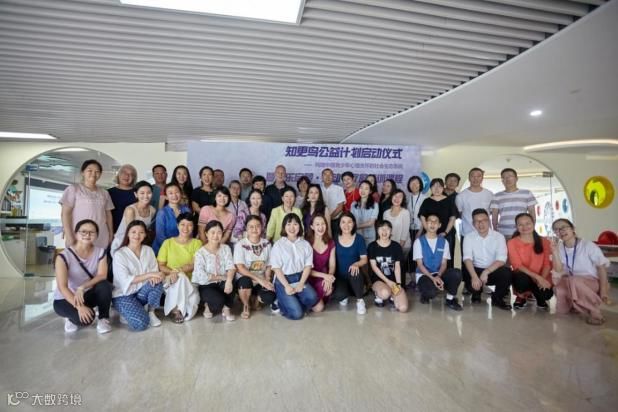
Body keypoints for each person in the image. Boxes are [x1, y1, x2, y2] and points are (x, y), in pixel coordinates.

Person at [53, 219, 113, 334]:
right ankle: (70, 317)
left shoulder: (100, 252)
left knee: (104, 285)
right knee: (86, 320)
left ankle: (103, 319)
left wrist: (82, 287)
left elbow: (102, 275)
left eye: (92, 232)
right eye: (83, 231)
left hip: (85, 294)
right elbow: (62, 287)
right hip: (65, 299)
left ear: (96, 235)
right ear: (76, 234)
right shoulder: (63, 256)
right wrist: (79, 307)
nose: (87, 235)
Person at [550, 218, 610, 325]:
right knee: (558, 288)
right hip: (571, 281)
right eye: (557, 230)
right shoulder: (560, 247)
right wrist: (554, 251)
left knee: (573, 280)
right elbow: (558, 269)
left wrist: (603, 290)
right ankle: (575, 306)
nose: (560, 231)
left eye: (563, 227)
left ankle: (594, 310)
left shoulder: (587, 245)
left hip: (591, 282)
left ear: (573, 228)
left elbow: (601, 268)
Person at [112, 221, 165, 331]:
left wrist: (155, 276)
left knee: (157, 282)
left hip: (141, 292)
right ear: (128, 233)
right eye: (133, 232)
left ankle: (151, 312)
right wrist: (150, 275)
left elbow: (155, 273)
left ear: (145, 235)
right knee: (141, 324)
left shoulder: (148, 250)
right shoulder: (119, 254)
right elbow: (126, 280)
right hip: (123, 295)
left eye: (141, 232)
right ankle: (129, 312)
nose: (137, 235)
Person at [269, 213, 320, 320]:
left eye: (295, 224)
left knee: (313, 298)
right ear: (284, 227)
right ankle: (280, 302)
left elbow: (307, 266)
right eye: (288, 224)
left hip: (299, 278)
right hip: (283, 280)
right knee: (297, 314)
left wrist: (301, 283)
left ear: (300, 226)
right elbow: (277, 269)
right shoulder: (278, 245)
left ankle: (292, 299)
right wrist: (287, 286)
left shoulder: (305, 244)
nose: (292, 227)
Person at [462, 209, 512, 310]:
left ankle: (497, 298)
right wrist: (474, 276)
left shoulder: (499, 237)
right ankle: (476, 293)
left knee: (507, 273)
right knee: (465, 270)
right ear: (473, 224)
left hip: (492, 270)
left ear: (489, 221)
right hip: (476, 270)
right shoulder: (468, 237)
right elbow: (467, 258)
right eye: (477, 221)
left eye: (484, 220)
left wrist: (487, 271)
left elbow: (502, 259)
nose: (481, 224)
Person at [157, 213, 202, 323]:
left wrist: (176, 271)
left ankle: (176, 308)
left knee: (191, 306)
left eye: (189, 225)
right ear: (177, 225)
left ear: (193, 227)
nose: (186, 228)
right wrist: (173, 273)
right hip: (170, 281)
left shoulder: (197, 243)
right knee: (180, 277)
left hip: (191, 282)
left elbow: (194, 265)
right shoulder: (167, 243)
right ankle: (177, 310)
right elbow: (160, 265)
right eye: (182, 224)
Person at [60, 159, 114, 249]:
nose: (93, 174)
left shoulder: (104, 193)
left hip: (101, 236)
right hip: (79, 235)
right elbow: (65, 214)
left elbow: (108, 215)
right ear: (82, 172)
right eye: (90, 171)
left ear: (100, 174)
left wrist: (111, 233)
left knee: (99, 257)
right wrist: (69, 236)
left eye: (97, 172)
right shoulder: (73, 189)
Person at [413, 214, 463, 311]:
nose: (432, 223)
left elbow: (444, 263)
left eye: (435, 221)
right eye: (430, 221)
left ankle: (450, 299)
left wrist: (438, 276)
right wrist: (433, 278)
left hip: (439, 273)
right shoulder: (418, 241)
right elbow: (420, 264)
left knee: (456, 273)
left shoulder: (444, 242)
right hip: (424, 275)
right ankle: (425, 295)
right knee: (430, 292)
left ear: (439, 225)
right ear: (425, 224)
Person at [234, 215, 276, 319]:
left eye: (257, 226)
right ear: (246, 228)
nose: (254, 229)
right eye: (251, 226)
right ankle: (246, 305)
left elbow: (269, 265)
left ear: (262, 227)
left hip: (261, 280)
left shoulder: (267, 244)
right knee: (245, 281)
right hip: (245, 279)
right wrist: (260, 280)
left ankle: (256, 301)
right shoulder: (240, 244)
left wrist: (267, 279)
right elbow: (240, 268)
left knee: (270, 296)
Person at [193, 221, 236, 321]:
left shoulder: (226, 248)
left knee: (232, 280)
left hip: (222, 282)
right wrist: (221, 277)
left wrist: (228, 281)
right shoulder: (200, 253)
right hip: (207, 284)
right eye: (212, 232)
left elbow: (230, 266)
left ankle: (226, 309)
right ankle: (207, 305)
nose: (216, 236)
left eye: (219, 232)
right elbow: (201, 275)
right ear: (206, 234)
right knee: (218, 302)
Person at [507, 213, 552, 310]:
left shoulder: (544, 241)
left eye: (528, 223)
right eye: (520, 224)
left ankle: (538, 297)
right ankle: (521, 296)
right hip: (523, 275)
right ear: (516, 226)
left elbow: (547, 264)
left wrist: (542, 279)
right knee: (520, 278)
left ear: (533, 223)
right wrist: (538, 278)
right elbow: (517, 265)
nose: (524, 227)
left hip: (541, 275)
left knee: (546, 294)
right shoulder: (512, 242)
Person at [332, 212, 368, 314]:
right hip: (340, 277)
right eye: (343, 222)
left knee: (355, 272)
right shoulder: (335, 238)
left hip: (354, 275)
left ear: (354, 223)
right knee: (339, 295)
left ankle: (360, 301)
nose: (346, 225)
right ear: (339, 224)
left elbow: (364, 259)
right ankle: (345, 294)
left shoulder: (359, 239)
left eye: (349, 222)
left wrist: (356, 264)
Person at [368, 220, 408, 312]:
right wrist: (388, 282)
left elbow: (397, 267)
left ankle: (392, 295)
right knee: (385, 293)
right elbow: (374, 267)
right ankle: (380, 295)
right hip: (379, 281)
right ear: (377, 230)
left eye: (387, 229)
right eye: (381, 229)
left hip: (394, 282)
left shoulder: (396, 246)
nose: (384, 231)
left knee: (403, 308)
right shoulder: (372, 246)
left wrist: (398, 284)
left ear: (391, 231)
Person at [419, 178, 458, 269]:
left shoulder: (449, 201)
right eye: (434, 186)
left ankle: (447, 277)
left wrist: (445, 232)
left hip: (447, 234)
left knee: (447, 258)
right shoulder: (427, 201)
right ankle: (430, 276)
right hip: (429, 234)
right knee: (429, 256)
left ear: (443, 188)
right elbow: (422, 217)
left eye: (439, 186)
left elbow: (452, 218)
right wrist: (428, 231)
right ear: (430, 188)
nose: (436, 189)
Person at [111, 181, 156, 256]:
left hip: (139, 243)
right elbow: (130, 233)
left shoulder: (152, 210)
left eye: (149, 193)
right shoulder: (130, 210)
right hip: (123, 243)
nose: (146, 196)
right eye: (142, 193)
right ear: (136, 194)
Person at [490, 168, 537, 239]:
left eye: (510, 176)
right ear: (502, 181)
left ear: (516, 178)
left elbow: (532, 213)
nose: (507, 179)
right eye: (504, 177)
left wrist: (532, 229)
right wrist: (495, 232)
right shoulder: (496, 196)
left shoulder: (527, 193)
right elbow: (494, 217)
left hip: (522, 232)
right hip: (503, 233)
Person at [456, 168, 493, 251]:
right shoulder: (461, 196)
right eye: (473, 176)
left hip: (486, 234)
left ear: (482, 178)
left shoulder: (489, 194)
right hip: (467, 233)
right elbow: (460, 214)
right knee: (467, 258)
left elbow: (490, 213)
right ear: (469, 178)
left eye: (478, 176)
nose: (475, 178)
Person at [306, 214, 335, 312]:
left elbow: (332, 265)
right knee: (319, 308)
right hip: (308, 276)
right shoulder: (306, 243)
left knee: (329, 289)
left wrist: (329, 277)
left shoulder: (331, 243)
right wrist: (325, 276)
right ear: (312, 227)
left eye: (323, 224)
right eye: (317, 224)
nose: (321, 227)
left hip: (322, 276)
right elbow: (306, 269)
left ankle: (314, 301)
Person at [152, 183, 191, 255]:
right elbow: (160, 236)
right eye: (170, 193)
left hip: (183, 247)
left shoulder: (186, 210)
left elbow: (190, 231)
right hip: (164, 249)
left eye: (177, 192)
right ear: (166, 197)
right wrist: (174, 250)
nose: (174, 195)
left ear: (181, 194)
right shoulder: (162, 213)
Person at [108, 164, 139, 232]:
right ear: (118, 175)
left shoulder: (138, 193)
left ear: (134, 178)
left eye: (131, 174)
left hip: (132, 231)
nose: (127, 176)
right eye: (124, 173)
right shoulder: (108, 193)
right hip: (113, 231)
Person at [407, 176, 426, 276]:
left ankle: (421, 276)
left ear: (420, 185)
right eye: (412, 183)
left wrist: (420, 231)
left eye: (417, 183)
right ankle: (412, 278)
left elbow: (425, 217)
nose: (414, 185)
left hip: (420, 229)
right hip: (409, 230)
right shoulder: (407, 198)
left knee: (419, 253)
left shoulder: (424, 198)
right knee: (410, 254)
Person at [351, 180, 379, 245]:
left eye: (366, 189)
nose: (363, 190)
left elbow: (371, 223)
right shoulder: (353, 204)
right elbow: (351, 219)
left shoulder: (375, 205)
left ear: (370, 191)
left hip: (369, 236)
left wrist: (355, 227)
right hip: (356, 235)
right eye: (361, 187)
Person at [320, 168, 345, 237]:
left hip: (335, 221)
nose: (327, 177)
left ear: (333, 177)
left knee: (336, 239)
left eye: (330, 175)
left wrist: (329, 218)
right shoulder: (319, 189)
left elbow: (340, 207)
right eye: (325, 175)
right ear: (322, 177)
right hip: (321, 221)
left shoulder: (339, 189)